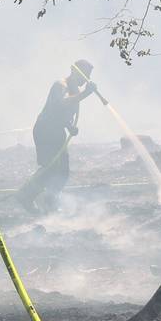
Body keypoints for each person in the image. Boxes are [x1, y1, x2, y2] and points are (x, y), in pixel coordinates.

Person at [16, 60, 97, 213]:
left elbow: (62, 113)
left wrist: (70, 126)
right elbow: (60, 103)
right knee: (51, 168)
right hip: (46, 130)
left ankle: (49, 199)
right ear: (73, 70)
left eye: (88, 75)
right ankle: (27, 195)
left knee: (63, 171)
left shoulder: (74, 90)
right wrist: (85, 94)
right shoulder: (61, 85)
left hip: (57, 131)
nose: (85, 78)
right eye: (84, 74)